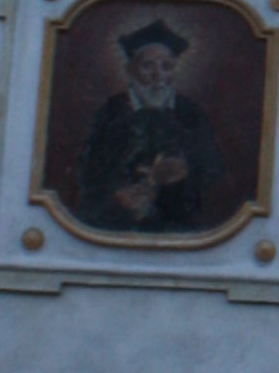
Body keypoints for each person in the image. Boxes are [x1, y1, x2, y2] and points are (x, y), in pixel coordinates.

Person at [75, 20, 224, 235]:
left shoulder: (191, 113)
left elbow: (213, 169)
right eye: (147, 66)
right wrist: (118, 196)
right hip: (117, 225)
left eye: (166, 66)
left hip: (180, 225)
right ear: (130, 69)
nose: (158, 76)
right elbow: (88, 173)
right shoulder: (110, 112)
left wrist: (184, 170)